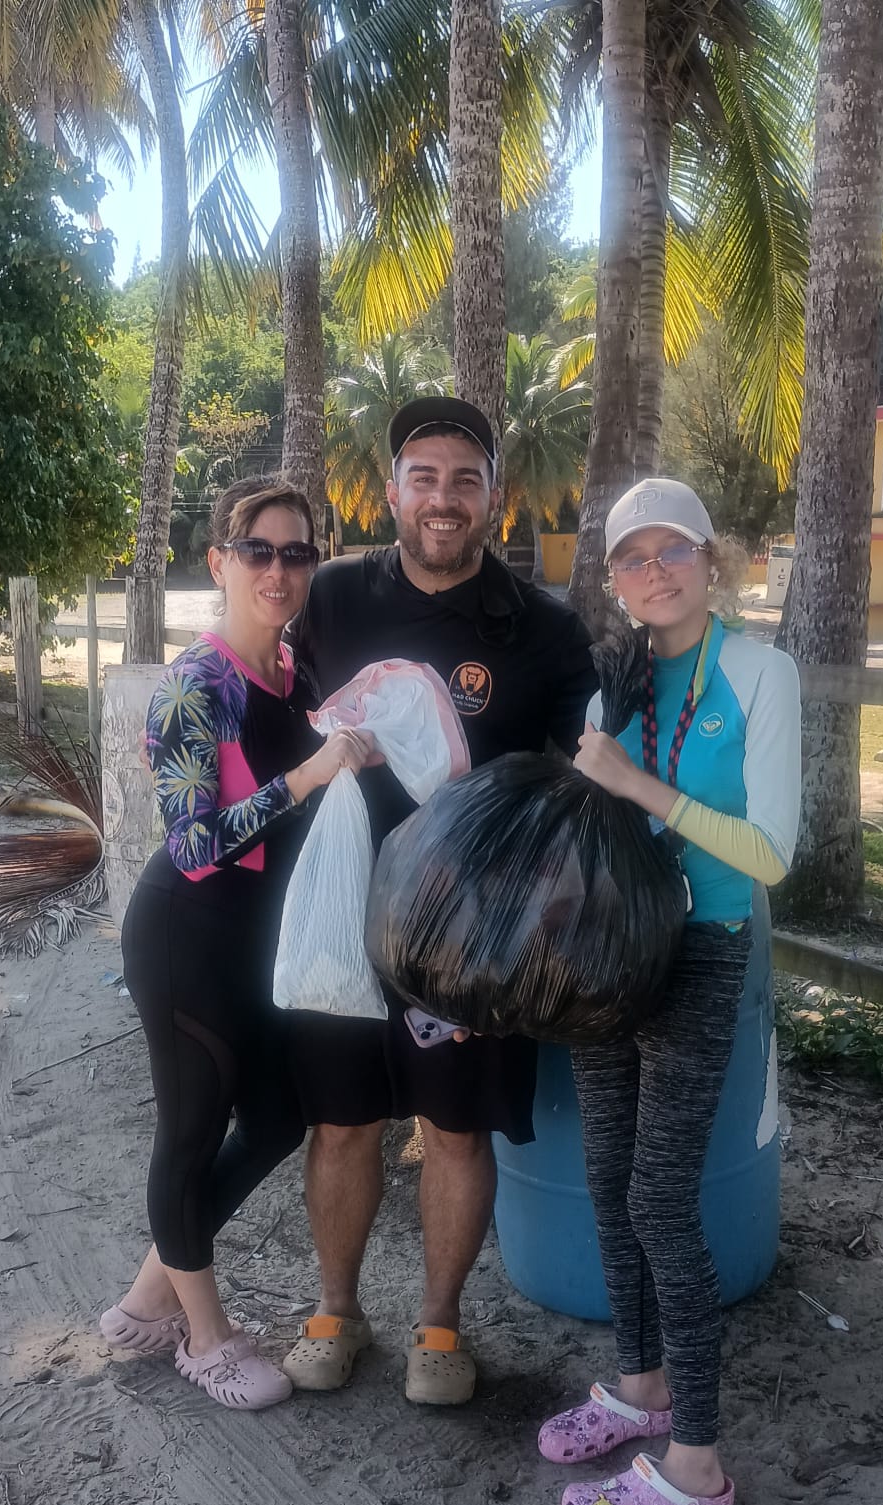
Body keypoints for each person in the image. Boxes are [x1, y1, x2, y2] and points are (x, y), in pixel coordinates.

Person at [282, 397, 598, 1407]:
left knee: (455, 1131)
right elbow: (269, 709)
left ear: (494, 499)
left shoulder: (541, 629)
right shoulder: (332, 599)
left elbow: (588, 776)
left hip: (473, 936)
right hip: (340, 915)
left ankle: (439, 1329)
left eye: (465, 479)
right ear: (391, 493)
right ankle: (335, 1312)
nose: (443, 498)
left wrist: (535, 925)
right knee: (339, 1122)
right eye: (423, 477)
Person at [537, 478, 801, 1505]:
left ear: (710, 558)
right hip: (614, 955)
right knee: (607, 1179)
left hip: (701, 950)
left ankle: (694, 1463)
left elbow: (769, 855)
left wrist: (636, 786)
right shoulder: (615, 686)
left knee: (658, 1199)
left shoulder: (758, 673)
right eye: (632, 558)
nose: (655, 572)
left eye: (673, 550)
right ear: (613, 580)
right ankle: (640, 1383)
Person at [99, 479, 378, 1410]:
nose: (278, 570)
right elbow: (193, 844)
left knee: (275, 1120)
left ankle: (148, 1301)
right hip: (186, 938)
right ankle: (203, 1337)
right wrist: (308, 776)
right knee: (189, 1132)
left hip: (258, 944)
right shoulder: (196, 684)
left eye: (298, 553)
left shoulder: (294, 673)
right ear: (219, 561)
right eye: (259, 550)